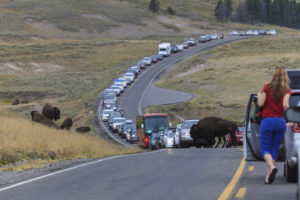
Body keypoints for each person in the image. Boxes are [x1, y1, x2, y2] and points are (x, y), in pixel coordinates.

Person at [257, 66, 291, 184]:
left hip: (267, 121)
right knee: (274, 149)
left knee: (265, 149)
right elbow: (286, 105)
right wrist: (290, 119)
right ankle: (268, 177)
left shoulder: (267, 87)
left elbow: (260, 104)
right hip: (280, 121)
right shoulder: (286, 90)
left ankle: (272, 168)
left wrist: (259, 94)